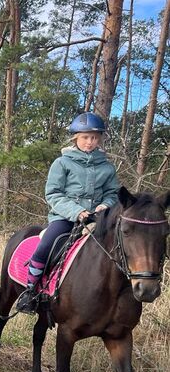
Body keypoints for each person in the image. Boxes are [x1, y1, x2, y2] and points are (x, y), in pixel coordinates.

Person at [15, 112, 120, 313]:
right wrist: (77, 211)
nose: (90, 142)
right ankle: (30, 291)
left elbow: (113, 193)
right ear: (76, 138)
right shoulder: (62, 163)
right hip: (66, 217)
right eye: (85, 137)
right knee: (46, 244)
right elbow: (53, 194)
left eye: (95, 137)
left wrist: (105, 205)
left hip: (99, 219)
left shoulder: (107, 167)